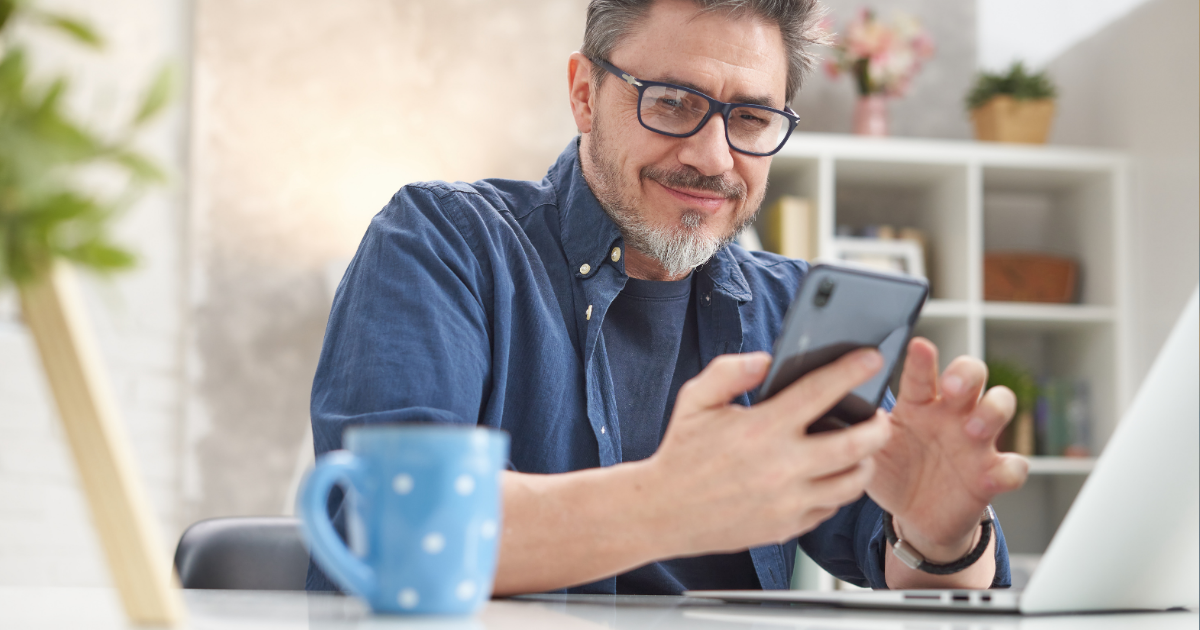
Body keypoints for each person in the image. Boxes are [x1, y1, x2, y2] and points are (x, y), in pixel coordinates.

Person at [308, 0, 1029, 596]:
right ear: (585, 94)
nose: (713, 157)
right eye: (674, 102)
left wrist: (941, 535)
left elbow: (906, 568)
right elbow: (394, 531)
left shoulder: (790, 309)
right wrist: (672, 503)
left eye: (750, 119)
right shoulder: (444, 243)